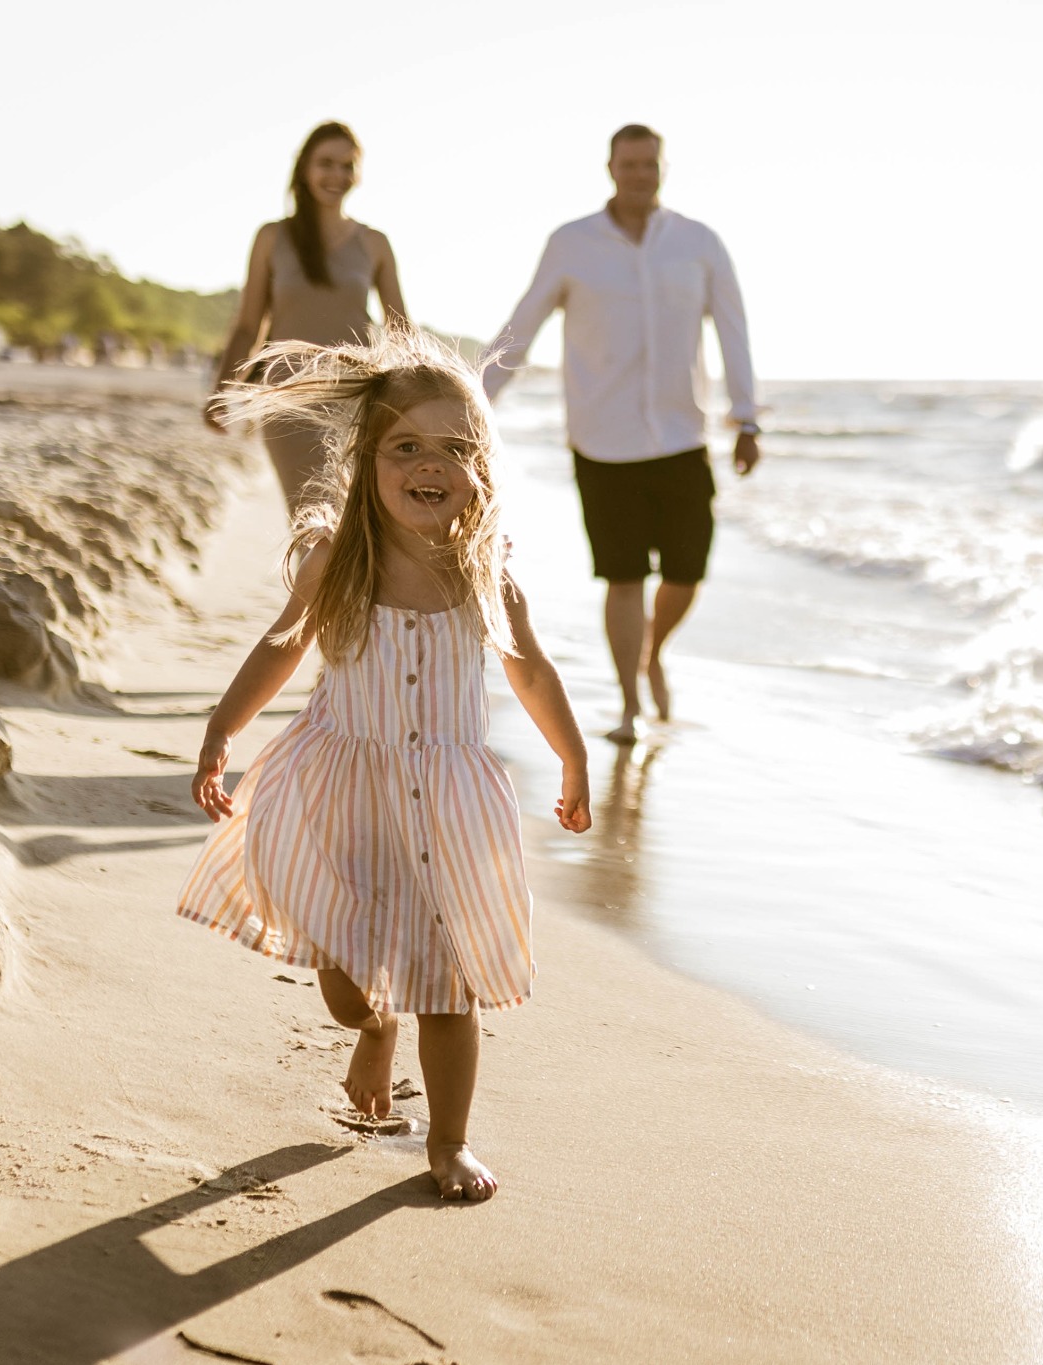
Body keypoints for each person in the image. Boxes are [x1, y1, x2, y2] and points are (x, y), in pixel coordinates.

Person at [178, 327, 592, 1201]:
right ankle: (373, 1026)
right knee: (342, 984)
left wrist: (573, 757)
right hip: (348, 794)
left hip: (449, 805)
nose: (427, 464)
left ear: (481, 468)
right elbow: (282, 646)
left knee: (450, 983)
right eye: (406, 446)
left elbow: (529, 669)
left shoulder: (484, 573)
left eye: (453, 448)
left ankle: (449, 1140)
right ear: (369, 459)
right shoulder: (338, 560)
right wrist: (223, 728)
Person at [483, 123, 760, 744]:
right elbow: (522, 326)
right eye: (629, 164)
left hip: (682, 435)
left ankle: (652, 650)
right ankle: (630, 705)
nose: (640, 174)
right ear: (610, 168)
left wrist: (747, 417)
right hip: (602, 440)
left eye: (650, 164)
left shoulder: (698, 242)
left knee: (688, 571)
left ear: (663, 167)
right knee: (622, 575)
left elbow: (734, 330)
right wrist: (473, 403)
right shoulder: (572, 243)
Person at [205, 121, 409, 510]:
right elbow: (249, 324)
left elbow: (400, 331)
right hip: (288, 402)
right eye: (326, 163)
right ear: (304, 168)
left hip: (356, 400)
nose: (337, 175)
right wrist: (222, 391)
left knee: (352, 524)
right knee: (310, 523)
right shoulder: (272, 238)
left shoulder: (375, 244)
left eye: (347, 166)